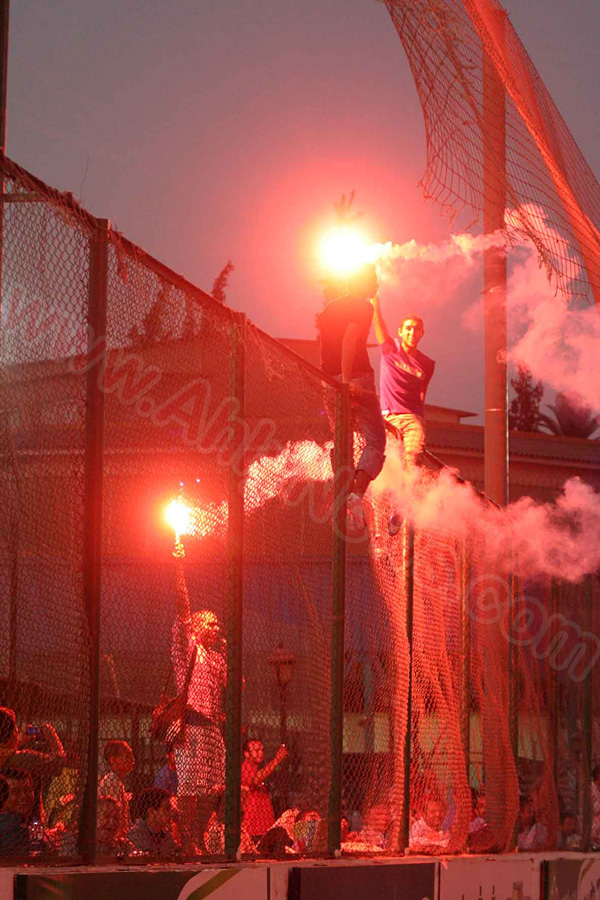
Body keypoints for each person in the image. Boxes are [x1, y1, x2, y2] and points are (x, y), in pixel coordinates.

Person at [317, 263, 386, 532]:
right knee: (376, 439)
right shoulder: (362, 306)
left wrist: (332, 383)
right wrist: (347, 383)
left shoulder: (327, 310)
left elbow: (323, 348)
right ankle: (355, 495)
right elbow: (350, 339)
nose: (376, 285)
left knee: (342, 439)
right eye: (373, 280)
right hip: (354, 377)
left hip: (328, 380)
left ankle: (342, 492)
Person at [172, 540, 226, 854]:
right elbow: (182, 607)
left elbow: (235, 686)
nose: (217, 627)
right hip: (191, 724)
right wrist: (178, 568)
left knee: (215, 786)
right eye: (212, 622)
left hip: (211, 728)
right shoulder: (186, 645)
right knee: (190, 786)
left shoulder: (216, 657)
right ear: (197, 626)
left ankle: (196, 832)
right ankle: (188, 839)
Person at [371, 296, 435, 534]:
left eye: (416, 330)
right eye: (408, 329)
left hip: (411, 419)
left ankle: (403, 508)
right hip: (386, 416)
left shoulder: (427, 364)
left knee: (414, 458)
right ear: (400, 332)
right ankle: (369, 514)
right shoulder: (389, 349)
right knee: (382, 466)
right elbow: (379, 324)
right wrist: (375, 303)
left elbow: (420, 396)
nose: (412, 332)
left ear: (421, 334)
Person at [241, 739, 288, 842]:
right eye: (256, 750)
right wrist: (277, 760)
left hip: (263, 830)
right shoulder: (244, 768)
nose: (261, 753)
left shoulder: (258, 770)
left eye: (262, 750)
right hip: (252, 831)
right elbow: (255, 779)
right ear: (246, 754)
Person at [98, 740, 135, 841]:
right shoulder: (112, 780)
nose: (132, 760)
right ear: (113, 760)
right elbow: (114, 814)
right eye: (127, 757)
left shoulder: (118, 782)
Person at [129, 788, 181, 857]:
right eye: (167, 808)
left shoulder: (163, 834)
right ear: (151, 812)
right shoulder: (137, 834)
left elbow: (187, 853)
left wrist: (181, 825)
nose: (171, 813)